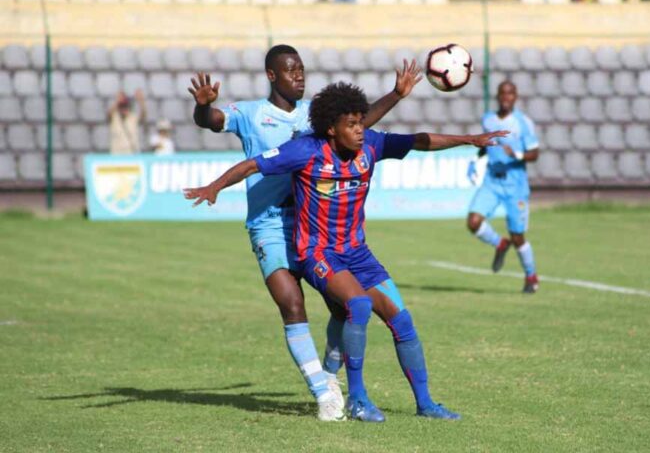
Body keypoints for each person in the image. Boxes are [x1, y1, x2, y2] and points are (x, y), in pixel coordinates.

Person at [184, 82, 507, 421]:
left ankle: (425, 403)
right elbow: (252, 165)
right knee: (358, 304)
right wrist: (214, 187)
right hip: (317, 253)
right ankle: (357, 398)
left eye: (361, 122)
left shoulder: (372, 145)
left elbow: (419, 141)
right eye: (352, 125)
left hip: (357, 252)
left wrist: (469, 140)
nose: (360, 130)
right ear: (330, 129)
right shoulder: (306, 150)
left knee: (403, 320)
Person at [187, 46, 421, 421]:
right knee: (292, 305)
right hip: (269, 225)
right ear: (271, 75)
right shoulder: (249, 113)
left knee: (345, 308)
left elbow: (359, 124)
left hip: (313, 227)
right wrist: (202, 107)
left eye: (302, 69)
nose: (299, 75)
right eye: (291, 69)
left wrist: (395, 95)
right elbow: (211, 120)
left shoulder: (316, 114)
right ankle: (324, 394)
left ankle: (329, 369)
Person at [466, 81, 541, 293]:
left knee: (518, 236)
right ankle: (499, 244)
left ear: (515, 97)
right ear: (498, 96)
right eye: (503, 93)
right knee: (473, 221)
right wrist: (475, 159)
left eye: (511, 94)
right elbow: (485, 146)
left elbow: (534, 153)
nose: (507, 97)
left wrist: (517, 155)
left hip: (515, 186)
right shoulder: (488, 120)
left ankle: (531, 276)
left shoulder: (523, 122)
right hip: (492, 181)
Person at [108, 90, 146, 154]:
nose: (124, 109)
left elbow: (143, 115)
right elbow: (109, 113)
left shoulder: (133, 117)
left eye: (125, 106)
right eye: (122, 107)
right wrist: (117, 101)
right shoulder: (114, 118)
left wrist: (141, 101)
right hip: (117, 153)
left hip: (131, 152)